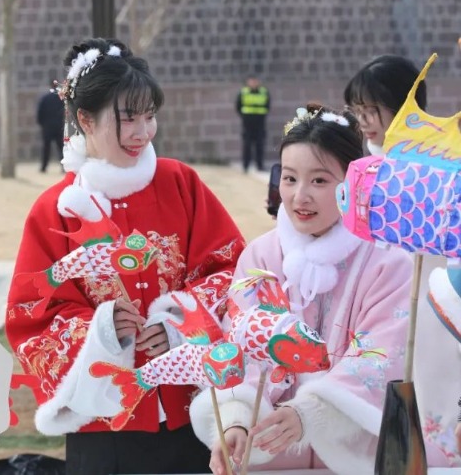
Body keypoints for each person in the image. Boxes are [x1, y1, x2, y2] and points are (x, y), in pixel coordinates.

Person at [5, 37, 246, 475]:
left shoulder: (180, 183)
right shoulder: (54, 210)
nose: (143, 132)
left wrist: (180, 323)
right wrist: (102, 330)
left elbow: (231, 267)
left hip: (191, 408)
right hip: (104, 425)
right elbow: (32, 312)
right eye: (128, 118)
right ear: (85, 119)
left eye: (150, 116)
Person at [191, 104, 413, 474]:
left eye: (320, 181)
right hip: (269, 456)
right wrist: (235, 421)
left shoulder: (388, 262)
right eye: (290, 178)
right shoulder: (261, 256)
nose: (300, 196)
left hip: (355, 459)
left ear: (352, 182)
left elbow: (381, 356)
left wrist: (311, 413)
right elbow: (241, 347)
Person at [346, 55, 461, 467]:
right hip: (376, 307)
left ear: (404, 103)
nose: (364, 121)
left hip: (433, 299)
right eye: (357, 111)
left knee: (433, 393)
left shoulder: (444, 164)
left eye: (372, 109)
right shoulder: (359, 171)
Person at [236, 76, 270, 173]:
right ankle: (245, 166)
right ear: (248, 82)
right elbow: (238, 106)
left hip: (259, 122)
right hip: (247, 122)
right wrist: (244, 116)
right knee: (247, 145)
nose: (253, 83)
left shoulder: (264, 92)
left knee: (260, 144)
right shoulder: (243, 92)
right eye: (251, 81)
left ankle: (259, 165)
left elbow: (267, 106)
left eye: (255, 81)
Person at [36, 78, 66, 173]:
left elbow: (40, 113)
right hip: (58, 126)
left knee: (46, 148)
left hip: (47, 127)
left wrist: (42, 124)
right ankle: (64, 166)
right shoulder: (60, 99)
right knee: (61, 148)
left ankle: (44, 167)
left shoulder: (45, 98)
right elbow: (65, 111)